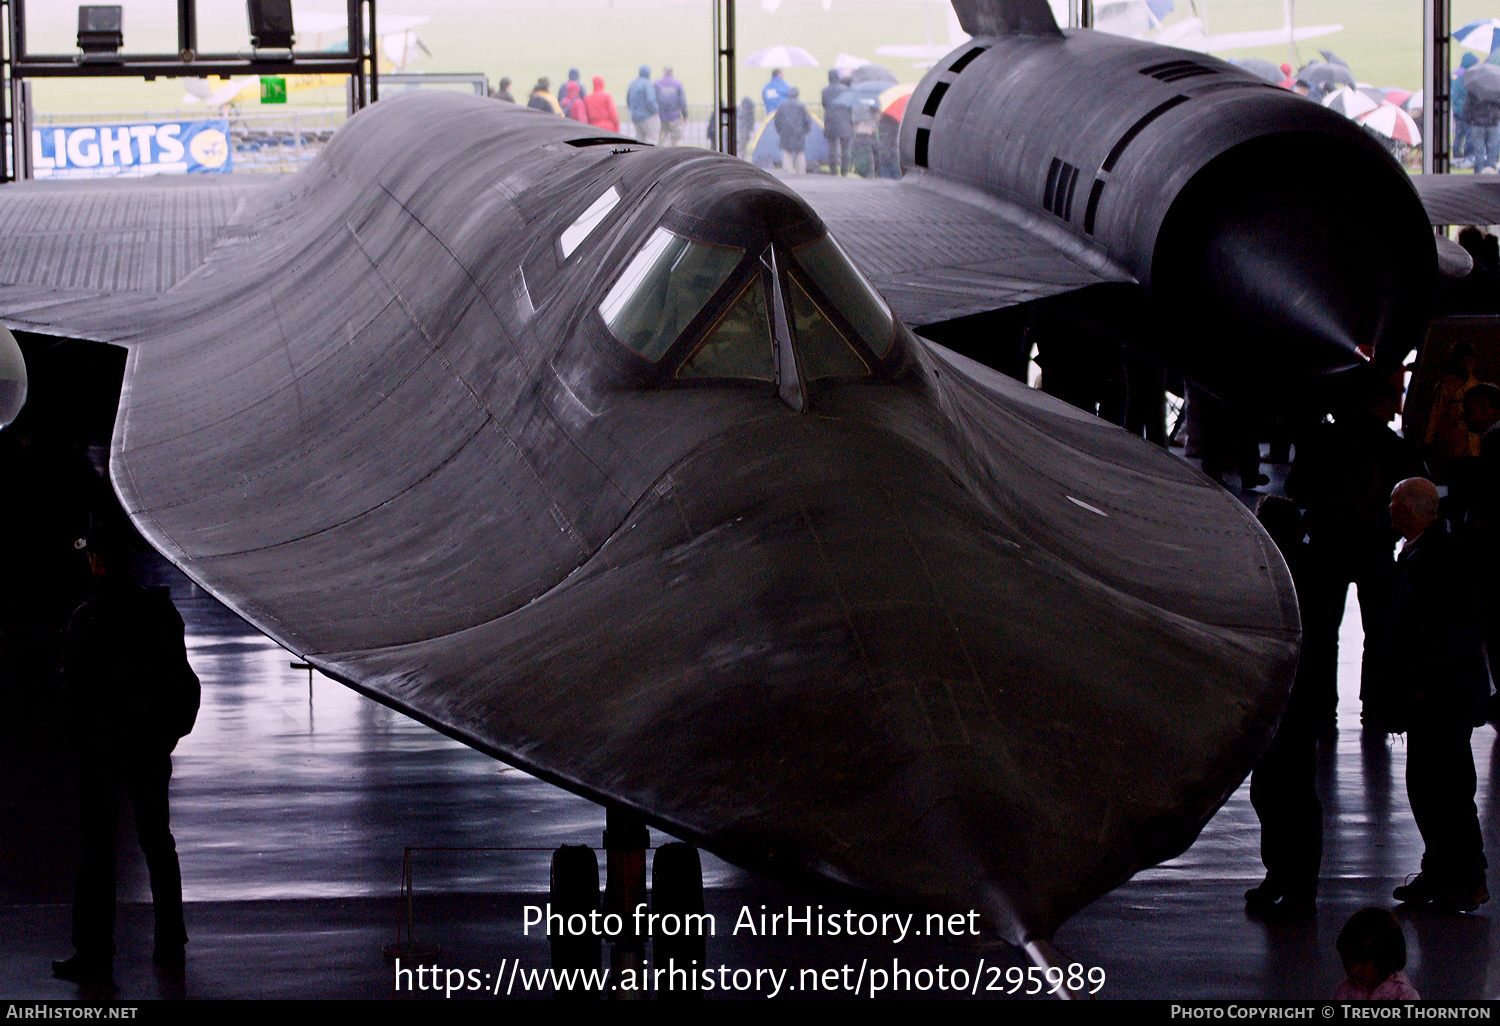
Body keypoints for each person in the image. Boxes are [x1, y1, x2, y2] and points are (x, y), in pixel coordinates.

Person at [52, 524, 200, 982]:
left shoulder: (86, 619)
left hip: (101, 755)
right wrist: (166, 735)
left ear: (98, 563)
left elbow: (72, 696)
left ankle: (95, 950)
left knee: (98, 853)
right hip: (149, 747)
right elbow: (183, 684)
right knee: (157, 841)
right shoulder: (160, 613)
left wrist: (82, 745)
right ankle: (171, 942)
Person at [1285, 387, 1426, 731]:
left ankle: (1321, 706)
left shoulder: (1320, 439)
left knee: (1321, 631)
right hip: (1375, 544)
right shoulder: (1392, 444)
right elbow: (1419, 484)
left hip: (1328, 543)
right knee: (1379, 631)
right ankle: (1375, 705)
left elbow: (1296, 489)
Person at [1387, 477, 1490, 912]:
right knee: (1438, 788)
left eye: (1394, 504)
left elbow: (1443, 631)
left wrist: (1420, 680)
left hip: (1439, 695)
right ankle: (1447, 872)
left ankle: (1461, 878)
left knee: (1442, 789)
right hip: (1442, 693)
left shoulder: (1435, 559)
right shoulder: (1435, 554)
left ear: (1409, 510)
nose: (1390, 511)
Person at [1244, 497, 1323, 923]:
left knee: (1278, 793)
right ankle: (1292, 881)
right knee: (1288, 794)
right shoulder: (1303, 568)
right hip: (1298, 698)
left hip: (1282, 697)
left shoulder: (1272, 571)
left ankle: (1289, 880)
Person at [1332, 908, 1419, 1000]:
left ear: (1386, 958)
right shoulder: (1345, 991)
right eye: (1349, 964)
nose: (1354, 970)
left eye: (1362, 962)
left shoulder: (1404, 995)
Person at [773, 86, 812, 173]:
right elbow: (807, 120)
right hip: (799, 132)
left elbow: (777, 120)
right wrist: (806, 131)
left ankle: (788, 172)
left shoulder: (782, 105)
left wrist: (780, 131)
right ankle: (801, 172)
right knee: (800, 152)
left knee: (787, 153)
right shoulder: (801, 105)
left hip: (785, 132)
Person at [821, 70, 853, 175]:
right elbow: (850, 106)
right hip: (844, 121)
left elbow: (824, 104)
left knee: (832, 148)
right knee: (845, 148)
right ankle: (844, 170)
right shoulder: (846, 90)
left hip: (830, 122)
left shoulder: (825, 91)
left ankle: (833, 170)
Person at [654, 67, 687, 147]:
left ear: (664, 72)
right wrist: (685, 115)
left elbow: (653, 99)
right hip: (674, 117)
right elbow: (682, 101)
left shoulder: (657, 83)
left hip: (661, 117)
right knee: (676, 141)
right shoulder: (678, 84)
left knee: (661, 141)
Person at [626, 65, 659, 143]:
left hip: (635, 117)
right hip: (647, 117)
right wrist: (655, 111)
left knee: (639, 140)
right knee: (652, 139)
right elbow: (650, 100)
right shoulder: (647, 84)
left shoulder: (632, 83)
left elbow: (628, 100)